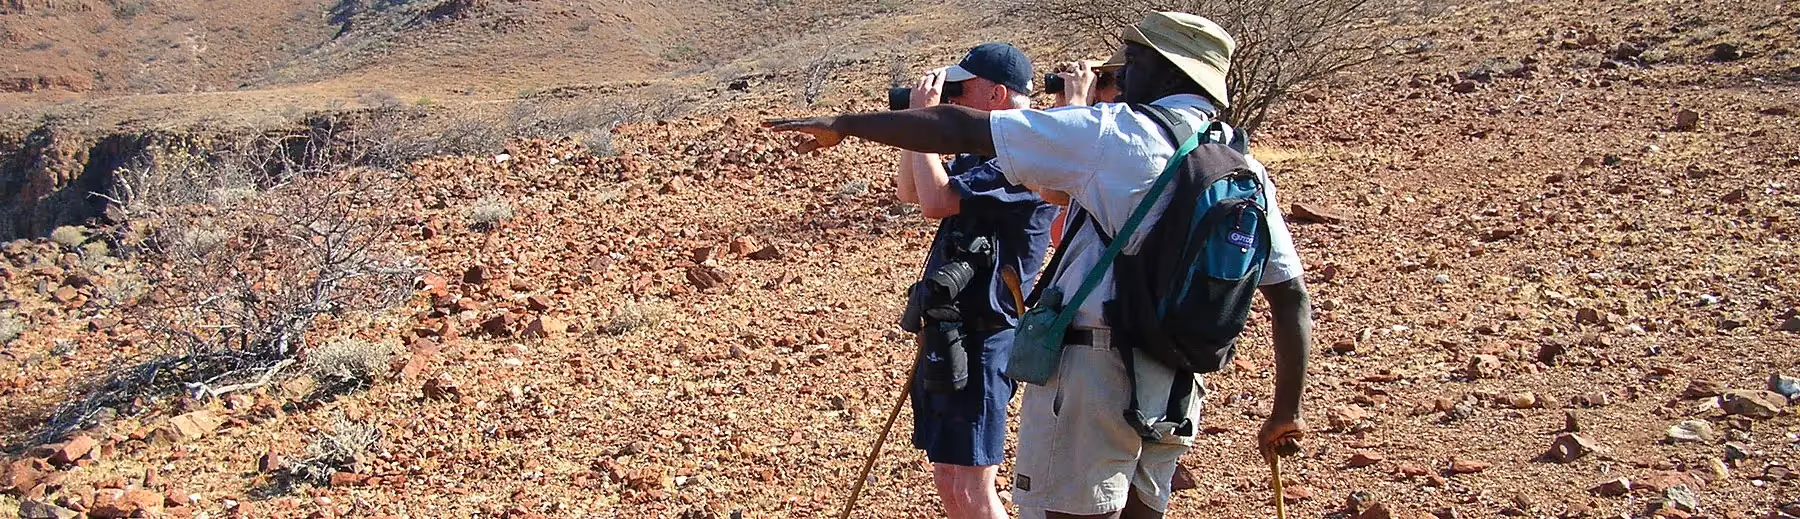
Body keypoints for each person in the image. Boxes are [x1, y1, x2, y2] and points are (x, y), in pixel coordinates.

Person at [766, 12, 1313, 519]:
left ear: (1164, 70)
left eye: (1131, 62)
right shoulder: (1239, 164)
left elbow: (962, 130)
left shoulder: (1117, 134)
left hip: (1094, 373)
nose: (1120, 75)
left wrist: (847, 122)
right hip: (1174, 374)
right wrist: (1284, 409)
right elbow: (1289, 296)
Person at [893, 42, 1058, 519]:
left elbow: (936, 202)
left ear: (996, 93)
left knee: (974, 484)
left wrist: (925, 120)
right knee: (948, 477)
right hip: (950, 329)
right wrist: (913, 128)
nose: (955, 98)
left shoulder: (1026, 154)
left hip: (986, 335)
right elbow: (909, 191)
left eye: (962, 89)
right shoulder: (982, 149)